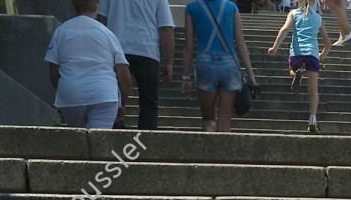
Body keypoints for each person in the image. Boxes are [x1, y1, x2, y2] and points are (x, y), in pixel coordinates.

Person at [45, 0, 131, 129]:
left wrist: (69, 88)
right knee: (100, 140)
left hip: (71, 92)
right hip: (104, 93)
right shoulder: (107, 33)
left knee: (77, 140)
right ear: (97, 5)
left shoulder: (60, 32)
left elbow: (54, 74)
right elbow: (124, 77)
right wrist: (122, 104)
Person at [179, 0, 258, 131]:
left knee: (208, 119)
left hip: (205, 63)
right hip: (229, 65)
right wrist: (252, 78)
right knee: (225, 121)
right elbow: (240, 42)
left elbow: (188, 46)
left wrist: (186, 78)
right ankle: (224, 148)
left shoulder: (192, 8)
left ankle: (208, 149)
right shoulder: (232, 7)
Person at [98, 0, 174, 130]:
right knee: (149, 103)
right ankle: (145, 141)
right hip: (147, 50)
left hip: (117, 48)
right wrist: (169, 62)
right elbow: (166, 28)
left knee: (114, 99)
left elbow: (101, 19)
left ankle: (114, 136)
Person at [267, 0, 324, 128]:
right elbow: (328, 44)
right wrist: (322, 55)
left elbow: (285, 29)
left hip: (297, 52)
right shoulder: (318, 18)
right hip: (313, 53)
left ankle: (295, 75)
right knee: (313, 89)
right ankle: (313, 119)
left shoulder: (293, 13)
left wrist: (274, 47)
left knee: (291, 69)